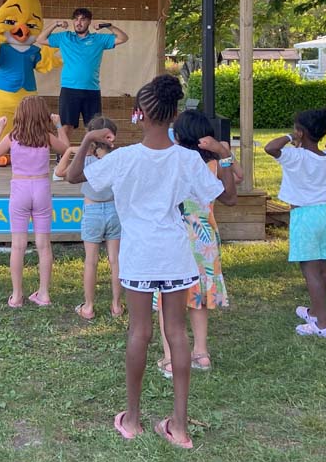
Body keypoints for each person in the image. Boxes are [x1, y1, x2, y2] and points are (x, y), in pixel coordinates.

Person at [66, 75, 231, 450]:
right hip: (175, 254)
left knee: (139, 332)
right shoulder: (188, 159)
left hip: (139, 255)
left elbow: (75, 176)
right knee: (177, 333)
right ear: (174, 114)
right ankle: (180, 427)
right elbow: (226, 195)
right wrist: (225, 155)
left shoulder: (123, 158)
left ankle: (132, 419)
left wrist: (88, 140)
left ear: (139, 113)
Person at [265, 108, 326, 339]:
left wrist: (291, 137)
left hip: (303, 216)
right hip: (324, 216)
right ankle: (315, 311)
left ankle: (323, 323)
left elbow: (270, 148)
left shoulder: (295, 156)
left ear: (300, 132)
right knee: (323, 269)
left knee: (311, 272)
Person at [156, 109, 237, 378]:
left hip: (173, 236)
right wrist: (224, 154)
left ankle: (170, 359)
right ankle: (201, 354)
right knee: (199, 297)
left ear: (179, 136)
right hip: (205, 240)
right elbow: (231, 197)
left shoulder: (170, 161)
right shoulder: (212, 165)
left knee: (168, 298)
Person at [0, 95, 70, 308]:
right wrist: (58, 125)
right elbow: (66, 148)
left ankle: (17, 296)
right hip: (41, 188)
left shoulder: (13, 136)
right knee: (44, 245)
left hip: (20, 189)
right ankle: (43, 294)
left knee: (18, 245)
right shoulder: (46, 137)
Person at [54, 115, 124, 320]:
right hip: (114, 210)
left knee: (91, 261)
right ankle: (116, 305)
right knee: (115, 260)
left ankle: (89, 306)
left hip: (92, 210)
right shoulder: (118, 159)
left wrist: (70, 151)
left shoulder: (85, 160)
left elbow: (60, 173)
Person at [36, 7, 128, 140]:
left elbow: (123, 38)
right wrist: (55, 24)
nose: (78, 22)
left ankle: (92, 152)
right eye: (76, 19)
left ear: (89, 22)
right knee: (66, 127)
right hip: (69, 89)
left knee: (93, 128)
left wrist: (108, 26)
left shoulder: (98, 39)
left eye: (83, 19)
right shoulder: (64, 37)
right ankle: (63, 152)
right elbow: (40, 39)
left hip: (92, 90)